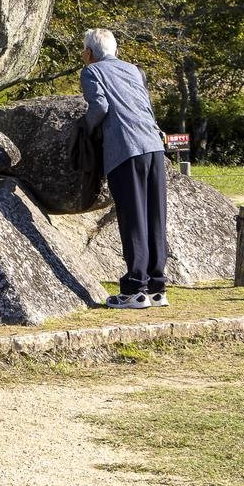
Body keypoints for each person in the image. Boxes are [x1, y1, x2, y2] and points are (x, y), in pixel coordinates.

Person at [79, 28, 169, 309]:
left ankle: (134, 290)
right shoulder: (134, 70)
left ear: (89, 53)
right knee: (155, 216)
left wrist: (85, 130)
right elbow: (147, 107)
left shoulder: (91, 71)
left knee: (133, 218)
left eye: (83, 51)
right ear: (115, 50)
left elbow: (100, 106)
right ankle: (156, 288)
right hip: (153, 145)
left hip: (125, 149)